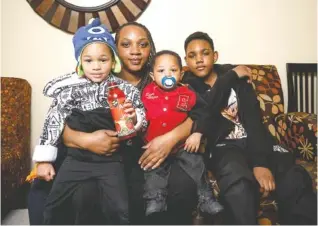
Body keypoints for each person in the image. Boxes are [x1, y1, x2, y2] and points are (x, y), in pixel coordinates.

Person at [28, 22, 198, 225]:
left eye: (143, 44)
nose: (135, 51)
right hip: (82, 154)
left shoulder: (162, 76)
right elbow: (58, 117)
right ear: (114, 49)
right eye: (126, 45)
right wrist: (85, 140)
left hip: (128, 155)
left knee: (138, 196)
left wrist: (170, 138)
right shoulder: (91, 74)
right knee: (43, 193)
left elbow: (198, 107)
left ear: (150, 49)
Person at [182, 31, 317, 225]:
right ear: (186, 59)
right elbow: (206, 110)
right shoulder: (186, 86)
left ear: (215, 56)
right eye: (192, 55)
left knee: (294, 177)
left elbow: (254, 120)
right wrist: (230, 76)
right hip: (223, 147)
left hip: (257, 140)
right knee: (238, 183)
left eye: (205, 53)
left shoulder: (239, 80)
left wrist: (259, 162)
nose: (199, 60)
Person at [29, 18, 147, 224]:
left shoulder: (125, 89)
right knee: (52, 206)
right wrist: (44, 160)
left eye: (103, 60)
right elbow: (54, 119)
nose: (96, 67)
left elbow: (141, 119)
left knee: (120, 210)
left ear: (113, 61)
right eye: (89, 60)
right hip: (76, 160)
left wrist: (135, 118)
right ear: (80, 62)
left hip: (111, 162)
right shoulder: (69, 90)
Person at [141, 49, 224, 217]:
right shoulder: (146, 93)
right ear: (152, 75)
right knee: (152, 171)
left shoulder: (187, 93)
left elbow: (203, 113)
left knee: (197, 165)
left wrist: (197, 133)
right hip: (154, 145)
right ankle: (155, 200)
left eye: (173, 70)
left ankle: (206, 198)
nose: (168, 74)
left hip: (182, 145)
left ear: (180, 74)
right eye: (161, 71)